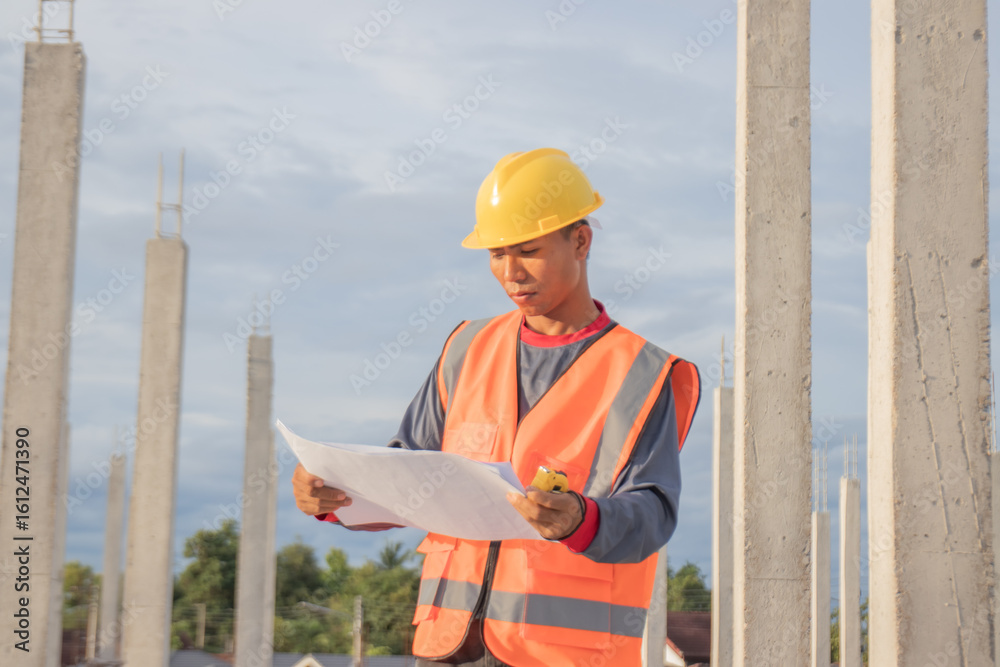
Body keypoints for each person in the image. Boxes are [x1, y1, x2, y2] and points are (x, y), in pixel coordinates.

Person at [292, 147, 701, 666]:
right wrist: (336, 492)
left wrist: (581, 519)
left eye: (528, 251)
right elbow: (405, 475)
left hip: (565, 656)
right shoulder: (466, 349)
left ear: (580, 240)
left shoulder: (641, 374)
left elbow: (652, 514)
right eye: (496, 254)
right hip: (449, 647)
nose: (511, 273)